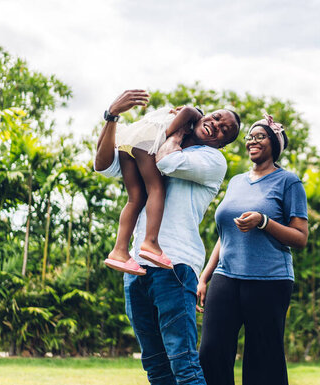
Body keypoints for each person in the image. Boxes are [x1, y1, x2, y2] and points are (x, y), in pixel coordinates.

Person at [95, 89, 240, 385]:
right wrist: (112, 116)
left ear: (222, 144)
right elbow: (103, 164)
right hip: (135, 267)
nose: (217, 125)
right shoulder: (157, 139)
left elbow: (166, 162)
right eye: (216, 117)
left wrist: (181, 125)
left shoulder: (211, 160)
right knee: (155, 366)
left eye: (225, 130)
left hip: (175, 266)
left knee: (183, 363)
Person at [196, 114, 309, 385]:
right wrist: (204, 276)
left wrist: (264, 221)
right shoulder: (236, 182)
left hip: (269, 280)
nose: (252, 141)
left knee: (263, 361)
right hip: (227, 276)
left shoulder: (288, 182)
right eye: (250, 137)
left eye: (260, 136)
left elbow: (300, 237)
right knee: (211, 352)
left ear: (275, 144)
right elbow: (226, 235)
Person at [105, 105, 208, 274]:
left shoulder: (164, 114)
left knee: (135, 199)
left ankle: (119, 251)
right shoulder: (191, 117)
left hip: (127, 142)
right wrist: (169, 135)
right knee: (156, 189)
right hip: (146, 142)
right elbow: (189, 111)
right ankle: (151, 242)